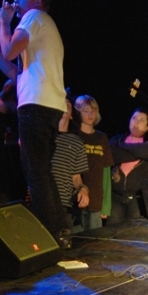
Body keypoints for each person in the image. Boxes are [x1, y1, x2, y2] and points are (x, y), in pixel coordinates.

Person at [0, 0, 69, 245]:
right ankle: (61, 229)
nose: (16, 2)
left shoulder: (34, 17)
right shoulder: (43, 25)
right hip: (49, 105)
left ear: (37, 1)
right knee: (42, 170)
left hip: (36, 105)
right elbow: (16, 71)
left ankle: (49, 234)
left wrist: (4, 21)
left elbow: (9, 50)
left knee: (35, 173)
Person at [109, 109, 148, 224]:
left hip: (138, 200)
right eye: (134, 118)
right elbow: (112, 155)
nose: (136, 122)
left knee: (135, 232)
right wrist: (138, 151)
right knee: (112, 232)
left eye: (141, 120)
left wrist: (124, 147)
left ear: (147, 127)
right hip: (116, 197)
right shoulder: (117, 139)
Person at [73, 95, 113, 232]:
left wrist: (106, 205)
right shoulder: (74, 136)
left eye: (93, 111)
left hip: (96, 200)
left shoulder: (101, 138)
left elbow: (106, 172)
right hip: (76, 201)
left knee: (96, 240)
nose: (90, 114)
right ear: (78, 112)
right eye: (86, 111)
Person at [52, 98, 90, 235]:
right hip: (42, 201)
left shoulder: (76, 142)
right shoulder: (43, 137)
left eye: (67, 103)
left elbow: (76, 177)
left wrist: (83, 189)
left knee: (66, 242)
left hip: (63, 204)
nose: (64, 105)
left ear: (72, 114)